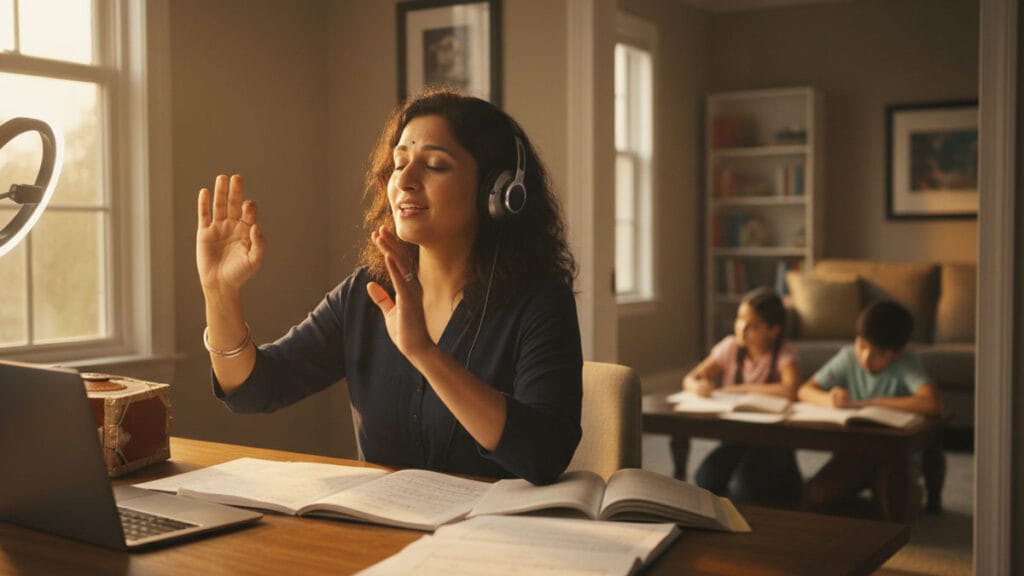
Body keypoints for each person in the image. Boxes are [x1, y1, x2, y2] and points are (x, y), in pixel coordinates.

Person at [195, 89, 583, 485]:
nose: (406, 181)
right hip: (385, 535)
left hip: (497, 537)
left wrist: (424, 354)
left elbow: (544, 453)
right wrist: (219, 292)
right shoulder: (367, 292)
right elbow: (253, 389)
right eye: (399, 164)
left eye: (434, 165)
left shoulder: (539, 301)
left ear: (496, 193)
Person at [798, 299, 943, 516]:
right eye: (862, 346)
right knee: (814, 496)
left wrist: (872, 402)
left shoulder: (906, 363)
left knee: (897, 509)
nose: (866, 358)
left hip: (896, 458)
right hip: (854, 454)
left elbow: (932, 404)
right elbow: (804, 390)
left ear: (897, 352)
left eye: (878, 353)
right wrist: (830, 398)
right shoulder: (848, 357)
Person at [671, 287, 803, 507]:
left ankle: (788, 480)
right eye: (740, 320)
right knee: (705, 479)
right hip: (736, 436)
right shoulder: (730, 347)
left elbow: (791, 389)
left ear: (774, 330)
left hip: (773, 440)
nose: (742, 328)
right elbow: (690, 378)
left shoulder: (784, 352)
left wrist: (736, 389)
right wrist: (698, 386)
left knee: (745, 489)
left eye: (754, 325)